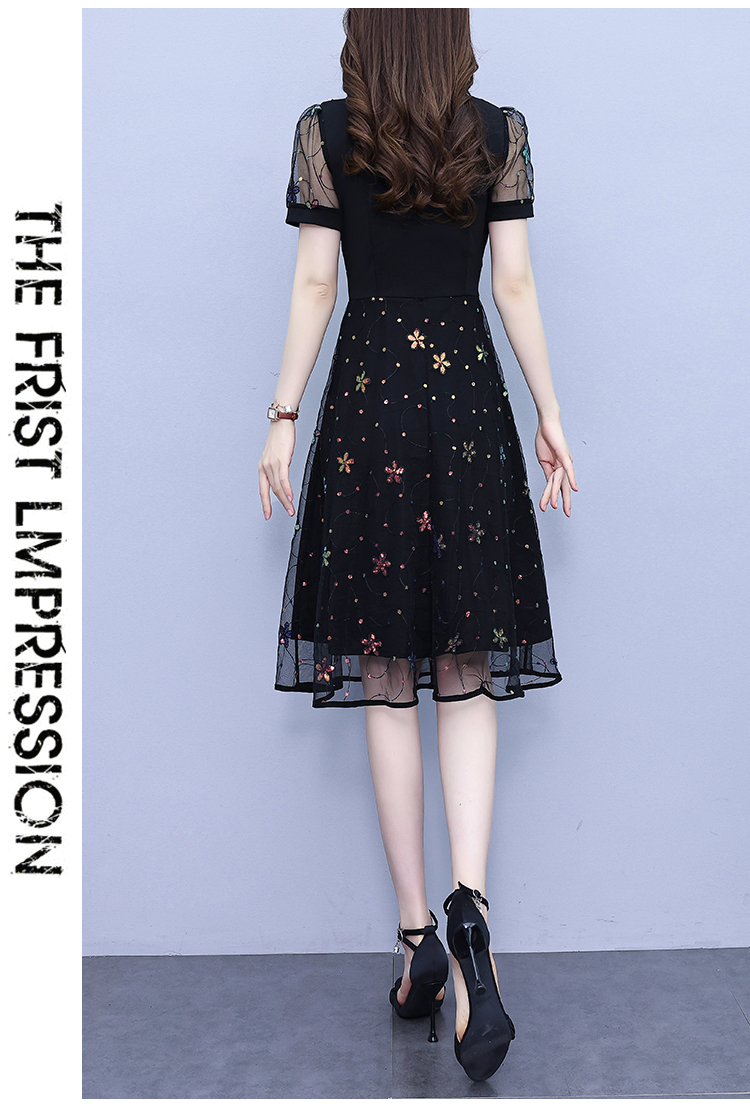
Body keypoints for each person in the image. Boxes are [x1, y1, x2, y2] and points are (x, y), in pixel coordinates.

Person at [258, 8, 577, 1083]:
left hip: (370, 406)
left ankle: (415, 938)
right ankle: (472, 908)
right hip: (469, 404)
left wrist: (282, 416)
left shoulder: (326, 131)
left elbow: (316, 282)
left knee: (389, 673)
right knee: (466, 671)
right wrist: (550, 412)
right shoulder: (498, 130)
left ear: (368, 34)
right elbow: (514, 284)